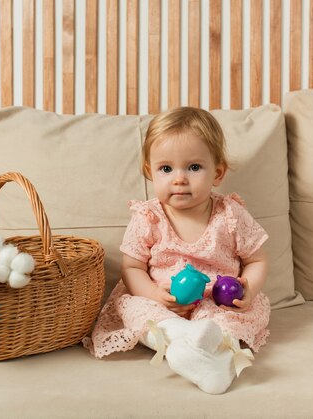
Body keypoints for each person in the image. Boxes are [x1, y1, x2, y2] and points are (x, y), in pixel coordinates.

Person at [84, 107, 270, 394]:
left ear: (217, 173)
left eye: (194, 167)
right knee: (135, 309)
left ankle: (208, 357)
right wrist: (155, 295)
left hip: (215, 302)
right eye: (166, 169)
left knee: (229, 320)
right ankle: (185, 340)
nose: (179, 179)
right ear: (150, 172)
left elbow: (256, 259)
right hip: (162, 301)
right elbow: (132, 267)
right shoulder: (148, 217)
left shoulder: (229, 215)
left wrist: (249, 288)